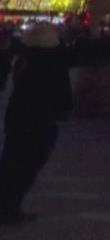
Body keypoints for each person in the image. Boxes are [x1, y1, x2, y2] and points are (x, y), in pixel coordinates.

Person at [0, 23, 72, 226]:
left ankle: (7, 205)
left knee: (13, 163)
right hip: (39, 121)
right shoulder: (53, 64)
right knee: (25, 166)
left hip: (19, 119)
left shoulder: (24, 61)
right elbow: (61, 95)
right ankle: (9, 207)